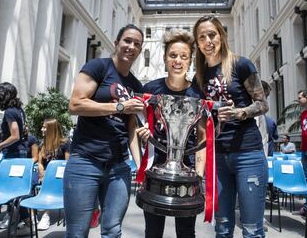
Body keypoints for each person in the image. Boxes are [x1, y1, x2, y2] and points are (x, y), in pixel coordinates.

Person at [64, 24, 145, 237]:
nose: (131, 46)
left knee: (112, 230)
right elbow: (75, 105)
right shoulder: (98, 67)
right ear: (116, 43)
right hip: (85, 161)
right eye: (127, 40)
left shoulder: (136, 85)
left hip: (119, 166)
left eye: (137, 43)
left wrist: (140, 166)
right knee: (77, 232)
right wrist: (119, 106)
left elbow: (131, 130)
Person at [193, 15, 268, 238]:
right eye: (201, 37)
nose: (208, 40)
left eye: (212, 35)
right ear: (197, 43)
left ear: (222, 36)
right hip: (217, 158)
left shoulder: (241, 64)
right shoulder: (199, 75)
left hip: (248, 154)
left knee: (252, 229)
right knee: (222, 227)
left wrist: (240, 112)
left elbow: (262, 104)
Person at [140, 29, 206, 238]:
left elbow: (203, 137)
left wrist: (199, 177)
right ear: (165, 58)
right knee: (153, 231)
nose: (178, 61)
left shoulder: (197, 94)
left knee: (186, 232)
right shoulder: (151, 89)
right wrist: (143, 138)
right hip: (156, 169)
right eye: (173, 55)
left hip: (187, 173)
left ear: (190, 61)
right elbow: (139, 125)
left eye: (183, 56)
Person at [0, 82, 30, 233]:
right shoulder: (19, 110)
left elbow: (15, 135)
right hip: (19, 154)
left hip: (14, 155)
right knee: (15, 191)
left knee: (0, 186)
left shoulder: (10, 112)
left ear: (2, 96)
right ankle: (27, 223)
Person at [37, 118, 70, 230]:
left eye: (44, 127)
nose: (42, 129)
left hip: (60, 175)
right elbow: (40, 162)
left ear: (51, 129)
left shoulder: (65, 144)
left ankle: (46, 214)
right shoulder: (43, 144)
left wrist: (50, 173)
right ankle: (29, 216)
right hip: (45, 176)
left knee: (49, 183)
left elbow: (67, 164)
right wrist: (41, 170)